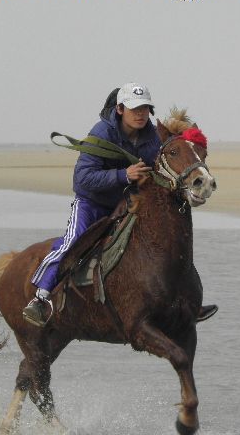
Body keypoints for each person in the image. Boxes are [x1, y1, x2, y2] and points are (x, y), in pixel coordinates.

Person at [23, 82, 218, 327]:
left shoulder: (153, 138)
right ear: (120, 109)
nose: (140, 114)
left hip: (128, 201)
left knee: (168, 237)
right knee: (73, 240)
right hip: (92, 203)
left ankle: (186, 302)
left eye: (145, 109)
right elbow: (82, 179)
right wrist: (123, 175)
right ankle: (40, 298)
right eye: (135, 109)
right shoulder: (101, 134)